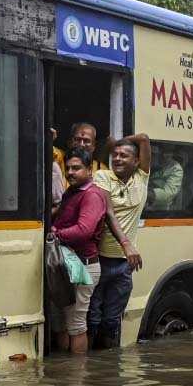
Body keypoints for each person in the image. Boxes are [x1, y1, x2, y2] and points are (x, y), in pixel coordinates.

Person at [88, 134, 150, 349]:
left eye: (124, 155)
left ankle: (108, 373)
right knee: (92, 320)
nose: (118, 158)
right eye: (115, 154)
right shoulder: (102, 176)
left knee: (112, 322)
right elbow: (108, 213)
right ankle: (84, 373)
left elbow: (144, 138)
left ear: (137, 162)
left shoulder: (142, 178)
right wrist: (126, 243)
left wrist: (119, 140)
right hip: (98, 261)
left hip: (123, 266)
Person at [49, 148, 108, 354]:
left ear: (89, 169)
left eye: (77, 168)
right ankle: (65, 376)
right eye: (68, 168)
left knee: (75, 325)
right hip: (65, 265)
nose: (71, 172)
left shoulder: (92, 195)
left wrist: (55, 233)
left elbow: (84, 230)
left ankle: (77, 377)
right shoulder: (71, 192)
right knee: (59, 324)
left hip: (82, 266)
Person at [51, 122, 105, 191]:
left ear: (94, 145)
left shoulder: (100, 168)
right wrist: (49, 140)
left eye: (86, 141)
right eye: (77, 139)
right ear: (69, 142)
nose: (81, 144)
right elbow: (51, 152)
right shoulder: (61, 157)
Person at [147, 145, 183, 210]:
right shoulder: (152, 162)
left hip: (159, 211)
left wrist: (145, 194)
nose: (165, 155)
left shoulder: (176, 168)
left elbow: (167, 195)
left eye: (168, 152)